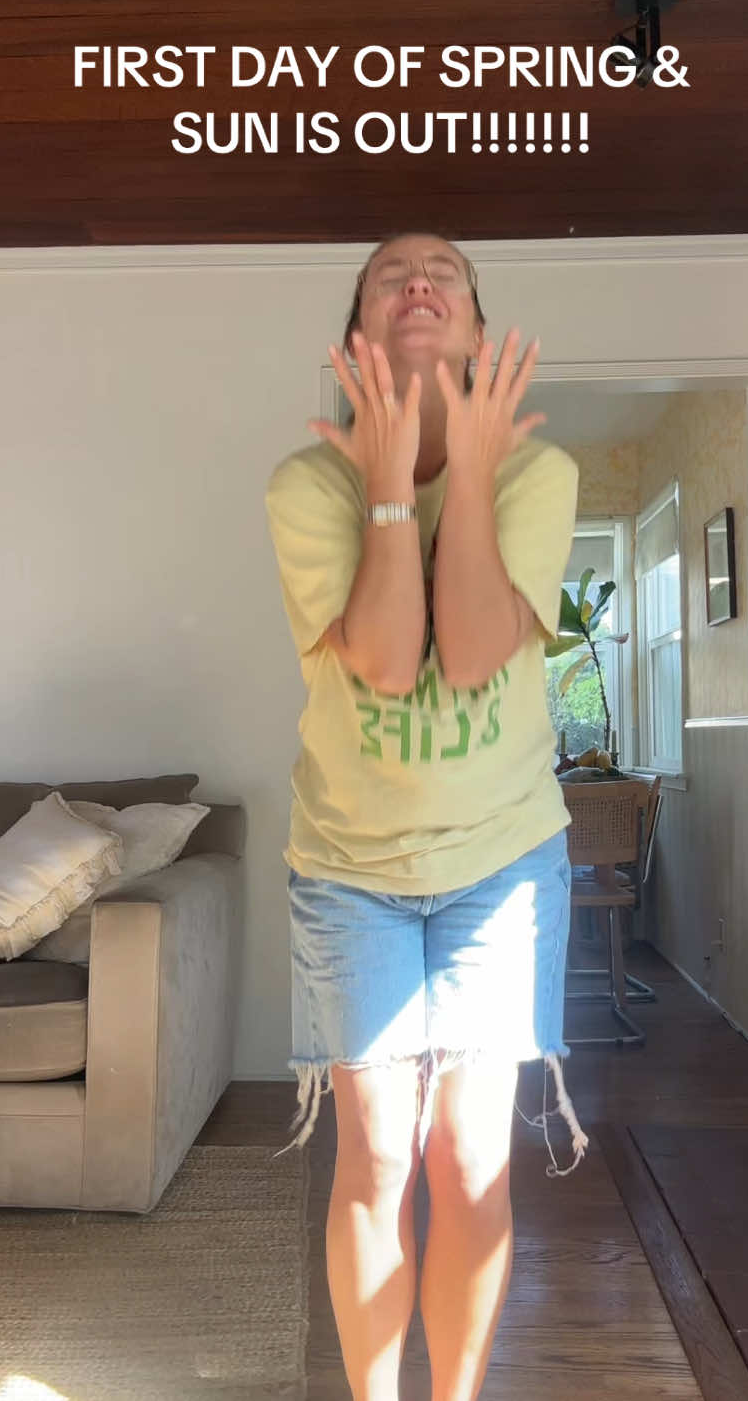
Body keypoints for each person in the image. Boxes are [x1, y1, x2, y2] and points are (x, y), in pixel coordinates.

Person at [264, 232, 588, 1401]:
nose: (418, 279)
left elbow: (479, 650)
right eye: (390, 275)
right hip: (349, 866)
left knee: (470, 1157)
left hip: (503, 864)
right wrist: (392, 479)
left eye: (445, 272)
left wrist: (477, 471)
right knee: (377, 1158)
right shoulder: (309, 486)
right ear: (358, 338)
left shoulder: (539, 475)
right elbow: (394, 661)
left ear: (480, 335)